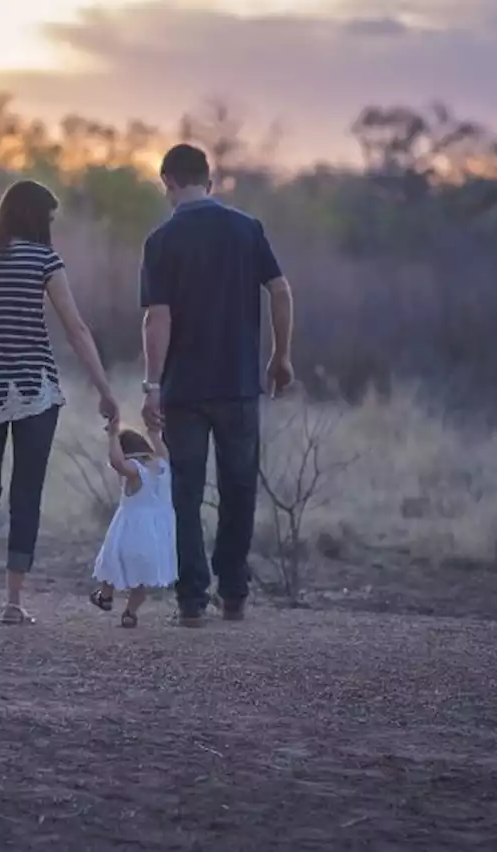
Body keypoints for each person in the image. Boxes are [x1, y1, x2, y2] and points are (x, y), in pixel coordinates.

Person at [0, 179, 119, 625]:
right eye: (50, 218)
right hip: (33, 390)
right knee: (26, 494)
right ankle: (13, 603)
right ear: (36, 217)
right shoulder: (44, 260)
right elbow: (76, 330)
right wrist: (104, 389)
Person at [139, 143, 296, 627]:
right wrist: (281, 355)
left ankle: (191, 600)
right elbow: (281, 289)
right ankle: (234, 594)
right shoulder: (246, 229)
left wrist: (151, 385)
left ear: (167, 181)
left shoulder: (161, 240)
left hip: (184, 388)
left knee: (184, 492)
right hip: (238, 383)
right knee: (239, 487)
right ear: (209, 179)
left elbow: (156, 319)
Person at [88, 418, 177, 628]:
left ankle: (106, 596)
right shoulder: (164, 465)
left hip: (131, 528)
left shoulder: (136, 472)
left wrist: (112, 436)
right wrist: (154, 433)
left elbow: (118, 462)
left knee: (112, 559)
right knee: (142, 577)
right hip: (157, 533)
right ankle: (130, 612)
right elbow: (162, 450)